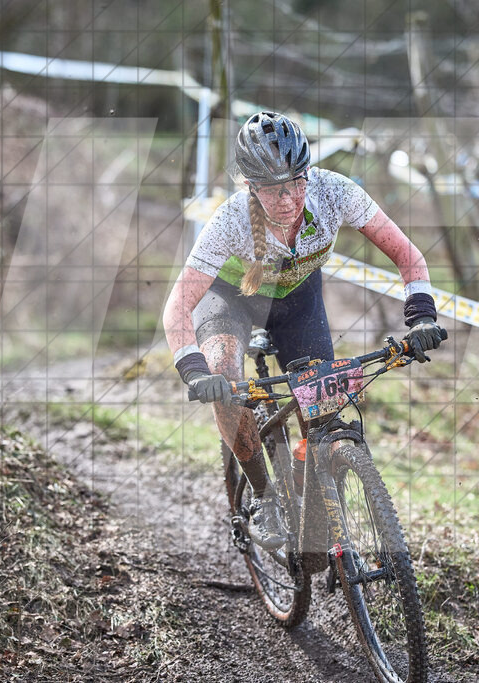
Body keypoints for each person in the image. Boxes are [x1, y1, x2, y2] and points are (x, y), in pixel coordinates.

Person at [162, 111, 445, 549]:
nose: (290, 198)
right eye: (274, 190)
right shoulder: (229, 221)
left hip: (296, 302)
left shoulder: (335, 192)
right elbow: (178, 305)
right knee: (226, 373)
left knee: (323, 412)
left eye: (297, 181)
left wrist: (422, 316)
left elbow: (409, 257)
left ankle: (307, 488)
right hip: (230, 301)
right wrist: (195, 370)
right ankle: (264, 496)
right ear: (250, 187)